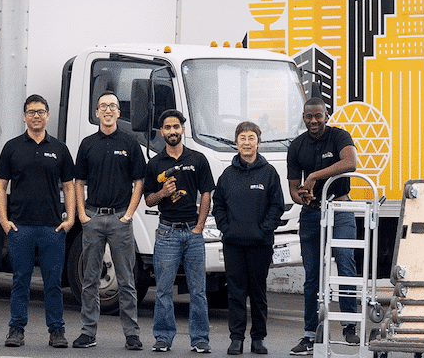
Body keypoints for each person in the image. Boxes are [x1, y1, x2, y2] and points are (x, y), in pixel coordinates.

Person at [0, 94, 76, 348]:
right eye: (31, 112)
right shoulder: (12, 147)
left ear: (48, 115)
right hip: (21, 227)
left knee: (53, 283)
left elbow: (69, 186)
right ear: (24, 116)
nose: (36, 116)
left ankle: (57, 331)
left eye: (40, 111)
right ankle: (16, 329)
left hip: (52, 228)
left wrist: (71, 218)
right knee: (21, 280)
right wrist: (4, 220)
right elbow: (0, 186)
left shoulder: (59, 149)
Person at [72, 91, 145, 351]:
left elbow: (139, 182)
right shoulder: (88, 144)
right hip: (93, 217)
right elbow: (78, 182)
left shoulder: (130, 143)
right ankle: (88, 333)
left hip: (119, 219)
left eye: (112, 106)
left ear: (119, 112)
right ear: (96, 112)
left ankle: (132, 335)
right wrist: (82, 214)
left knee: (126, 280)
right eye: (103, 106)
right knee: (90, 280)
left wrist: (129, 214)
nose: (108, 110)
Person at [288, 97, 359, 355]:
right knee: (312, 274)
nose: (314, 121)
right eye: (309, 117)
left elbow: (351, 163)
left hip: (341, 209)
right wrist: (302, 196)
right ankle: (309, 334)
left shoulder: (339, 136)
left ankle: (350, 326)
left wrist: (316, 176)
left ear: (326, 114)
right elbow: (294, 188)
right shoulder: (296, 146)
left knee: (345, 263)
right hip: (312, 213)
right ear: (304, 118)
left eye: (318, 115)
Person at [144, 109, 214, 354]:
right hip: (166, 233)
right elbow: (148, 201)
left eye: (176, 126)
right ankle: (163, 337)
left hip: (192, 233)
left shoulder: (198, 159)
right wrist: (163, 193)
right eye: (167, 127)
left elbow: (206, 193)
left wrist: (199, 227)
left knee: (198, 290)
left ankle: (200, 339)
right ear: (161, 131)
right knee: (163, 289)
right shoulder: (155, 164)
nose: (172, 131)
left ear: (183, 129)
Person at [212, 121, 284, 355]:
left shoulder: (269, 173)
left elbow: (277, 206)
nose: (246, 142)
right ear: (236, 143)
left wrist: (264, 230)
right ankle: (236, 339)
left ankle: (258, 338)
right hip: (233, 243)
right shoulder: (228, 175)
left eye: (251, 138)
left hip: (259, 244)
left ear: (258, 142)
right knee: (235, 293)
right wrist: (225, 228)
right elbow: (218, 205)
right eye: (242, 138)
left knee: (258, 293)